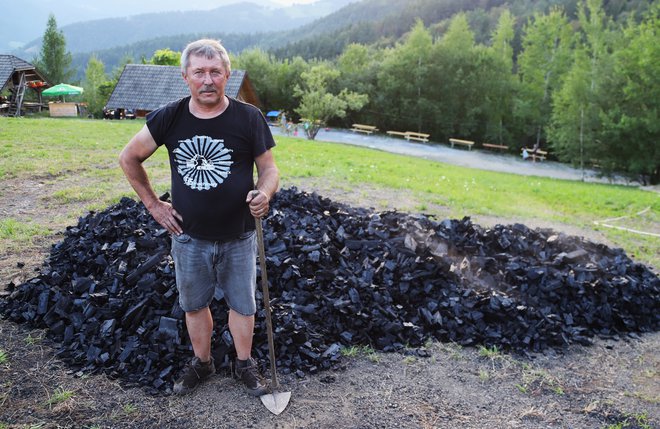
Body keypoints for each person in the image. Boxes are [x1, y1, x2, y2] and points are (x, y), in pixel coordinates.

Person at [119, 38, 279, 396]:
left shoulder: (248, 117)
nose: (207, 80)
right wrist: (154, 206)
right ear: (185, 76)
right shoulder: (170, 116)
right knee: (194, 305)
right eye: (199, 72)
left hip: (239, 234)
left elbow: (269, 169)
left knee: (243, 304)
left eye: (215, 72)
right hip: (188, 236)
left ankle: (243, 365)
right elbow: (128, 158)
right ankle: (203, 363)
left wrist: (264, 193)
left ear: (227, 76)